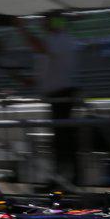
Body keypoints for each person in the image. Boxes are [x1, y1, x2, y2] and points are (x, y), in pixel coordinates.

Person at [14, 12, 80, 183]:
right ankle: (61, 179)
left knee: (64, 140)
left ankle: (69, 180)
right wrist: (24, 79)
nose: (42, 22)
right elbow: (44, 72)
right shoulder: (53, 41)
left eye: (46, 19)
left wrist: (22, 29)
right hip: (56, 96)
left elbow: (39, 47)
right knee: (59, 140)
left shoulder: (61, 39)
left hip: (63, 96)